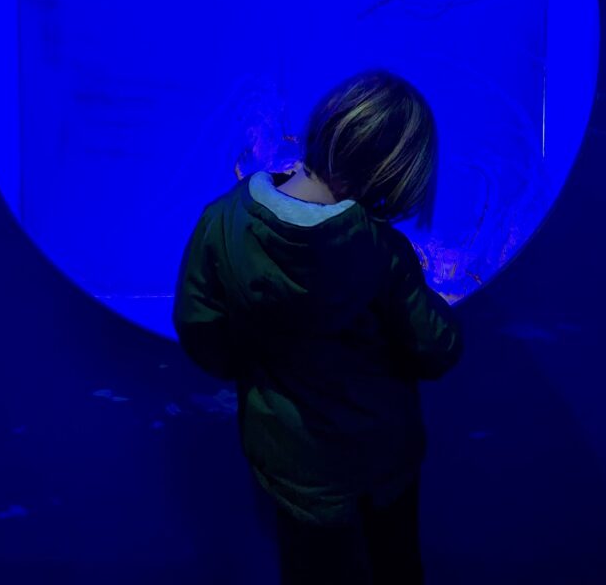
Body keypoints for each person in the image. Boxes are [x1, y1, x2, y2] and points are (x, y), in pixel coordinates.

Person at [173, 68, 464, 583]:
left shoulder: (219, 222)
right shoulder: (382, 251)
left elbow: (200, 330)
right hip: (381, 464)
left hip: (292, 465)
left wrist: (261, 364)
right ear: (389, 176)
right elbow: (437, 348)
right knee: (395, 567)